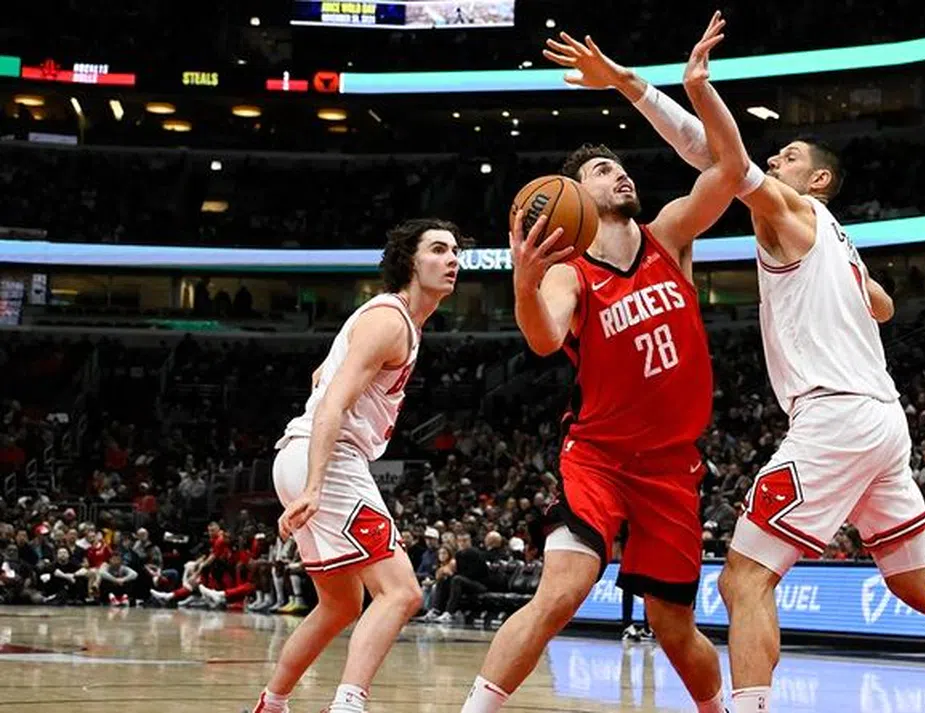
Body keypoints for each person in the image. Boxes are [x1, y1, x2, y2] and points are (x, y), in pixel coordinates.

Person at [546, 13, 925, 713]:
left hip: (832, 415)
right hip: (882, 420)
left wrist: (662, 87)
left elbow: (720, 156)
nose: (777, 160)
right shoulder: (836, 237)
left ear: (819, 177)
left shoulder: (792, 210)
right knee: (918, 579)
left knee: (743, 578)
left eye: (792, 154)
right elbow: (885, 306)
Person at [462, 18, 748, 713]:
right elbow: (541, 337)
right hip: (599, 457)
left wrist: (664, 87)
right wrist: (525, 283)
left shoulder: (670, 234)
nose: (618, 171)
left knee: (673, 626)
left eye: (619, 165)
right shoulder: (570, 273)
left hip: (673, 467)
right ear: (573, 199)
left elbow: (730, 171)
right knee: (562, 589)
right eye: (599, 170)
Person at [250, 218, 463, 713]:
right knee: (402, 593)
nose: (453, 259)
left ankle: (272, 704)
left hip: (301, 457)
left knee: (341, 604)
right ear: (411, 261)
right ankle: (347, 706)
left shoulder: (391, 321)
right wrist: (317, 485)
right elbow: (333, 402)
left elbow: (321, 377)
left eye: (455, 250)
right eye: (439, 249)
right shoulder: (390, 321)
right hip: (324, 460)